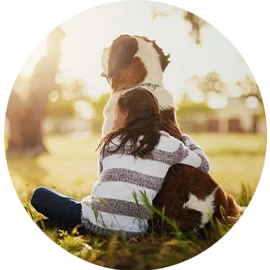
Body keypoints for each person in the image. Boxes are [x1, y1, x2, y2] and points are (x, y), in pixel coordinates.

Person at [31, 88, 210, 239]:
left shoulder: (112, 141)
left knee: (39, 195)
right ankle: (68, 225)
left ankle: (75, 225)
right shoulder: (170, 145)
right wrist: (185, 139)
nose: (114, 119)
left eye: (116, 113)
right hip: (134, 231)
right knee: (51, 220)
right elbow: (203, 164)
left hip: (95, 221)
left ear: (127, 114)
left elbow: (101, 182)